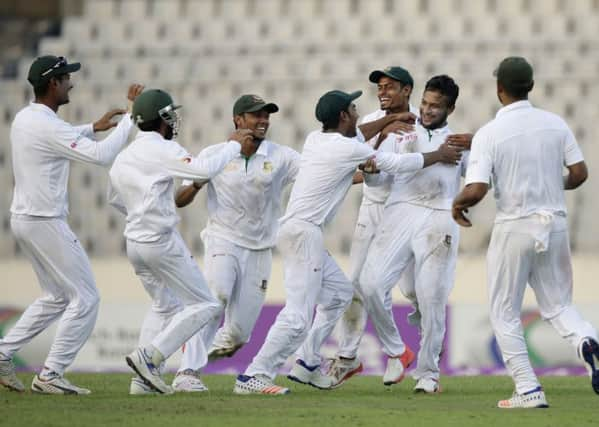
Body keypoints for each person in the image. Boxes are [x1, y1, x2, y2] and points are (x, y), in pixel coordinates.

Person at [233, 89, 463, 395]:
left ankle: (309, 363)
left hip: (299, 231)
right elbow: (394, 163)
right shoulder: (346, 149)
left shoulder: (318, 138)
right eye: (353, 109)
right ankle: (255, 375)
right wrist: (439, 156)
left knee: (340, 294)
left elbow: (360, 138)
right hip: (304, 234)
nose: (358, 113)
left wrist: (390, 119)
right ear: (343, 116)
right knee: (299, 316)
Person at [452, 56, 599, 408]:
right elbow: (579, 174)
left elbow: (476, 190)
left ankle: (528, 388)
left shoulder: (488, 133)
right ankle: (586, 340)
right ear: (530, 86)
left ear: (499, 88)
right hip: (556, 224)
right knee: (559, 305)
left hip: (515, 226)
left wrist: (457, 204)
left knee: (504, 312)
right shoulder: (555, 124)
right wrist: (551, 184)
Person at [0, 55, 142, 395]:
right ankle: (51, 374)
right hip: (45, 221)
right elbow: (101, 156)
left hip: (26, 219)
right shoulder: (45, 123)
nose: (71, 83)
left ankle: (3, 353)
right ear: (53, 83)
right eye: (66, 78)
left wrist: (93, 127)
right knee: (87, 298)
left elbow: (56, 138)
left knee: (57, 297)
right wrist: (131, 119)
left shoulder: (27, 117)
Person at [108, 89, 254, 395]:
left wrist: (141, 214)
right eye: (170, 114)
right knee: (205, 303)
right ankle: (150, 358)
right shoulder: (163, 149)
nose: (174, 119)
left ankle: (141, 382)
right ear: (161, 118)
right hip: (160, 241)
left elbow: (113, 199)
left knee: (163, 306)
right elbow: (200, 171)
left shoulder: (125, 156)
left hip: (134, 243)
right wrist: (232, 146)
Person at [167, 94, 300, 392]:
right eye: (256, 115)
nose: (263, 120)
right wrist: (202, 178)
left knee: (237, 336)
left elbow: (317, 176)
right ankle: (187, 371)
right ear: (238, 120)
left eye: (266, 115)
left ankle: (173, 352)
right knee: (216, 297)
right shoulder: (215, 153)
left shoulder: (281, 156)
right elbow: (180, 199)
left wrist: (364, 171)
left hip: (260, 250)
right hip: (222, 239)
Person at [356, 75, 467, 393]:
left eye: (436, 106)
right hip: (400, 209)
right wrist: (371, 173)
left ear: (451, 107)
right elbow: (379, 180)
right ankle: (395, 350)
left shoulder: (459, 141)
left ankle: (429, 373)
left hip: (440, 215)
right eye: (425, 104)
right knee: (370, 283)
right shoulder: (402, 131)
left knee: (433, 295)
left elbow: (475, 178)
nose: (428, 111)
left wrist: (466, 202)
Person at [327, 66, 419, 384]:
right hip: (372, 210)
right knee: (357, 285)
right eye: (379, 87)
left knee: (414, 290)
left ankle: (426, 363)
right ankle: (349, 356)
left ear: (407, 90)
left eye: (390, 86)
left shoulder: (422, 123)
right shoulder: (367, 122)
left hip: (406, 214)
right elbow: (350, 154)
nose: (382, 92)